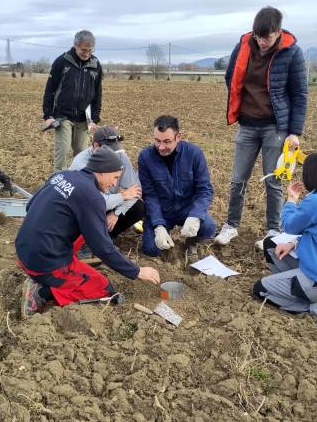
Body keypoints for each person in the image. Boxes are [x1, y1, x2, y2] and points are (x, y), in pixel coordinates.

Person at [16, 146, 160, 319]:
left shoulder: (62, 175)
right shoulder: (92, 197)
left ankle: (58, 267)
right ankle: (40, 293)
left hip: (23, 249)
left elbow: (30, 206)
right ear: (101, 172)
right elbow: (103, 247)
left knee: (84, 227)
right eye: (114, 177)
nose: (115, 184)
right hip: (43, 263)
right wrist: (136, 271)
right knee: (104, 290)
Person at [215, 6, 308, 249]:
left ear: (278, 32)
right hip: (247, 124)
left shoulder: (292, 52)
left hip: (275, 128)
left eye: (266, 36)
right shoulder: (244, 45)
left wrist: (294, 132)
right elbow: (230, 76)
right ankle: (231, 225)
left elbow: (299, 95)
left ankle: (272, 230)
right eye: (258, 36)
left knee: (273, 180)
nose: (261, 41)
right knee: (238, 179)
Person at [252, 151, 317, 316]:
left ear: (310, 174)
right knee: (271, 244)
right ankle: (303, 291)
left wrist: (291, 200)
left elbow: (288, 225)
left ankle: (311, 305)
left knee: (261, 289)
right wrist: (294, 243)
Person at [138, 115, 215, 260]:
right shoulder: (145, 157)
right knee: (151, 249)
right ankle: (164, 235)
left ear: (178, 137)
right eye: (157, 141)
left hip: (187, 209)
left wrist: (195, 215)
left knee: (208, 227)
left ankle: (191, 242)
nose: (161, 147)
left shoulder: (194, 154)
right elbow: (149, 195)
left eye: (167, 142)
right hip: (163, 210)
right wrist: (158, 225)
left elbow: (204, 190)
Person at [41, 30, 103, 172]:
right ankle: (58, 182)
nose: (87, 53)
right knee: (62, 152)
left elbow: (98, 94)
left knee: (81, 154)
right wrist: (48, 115)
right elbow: (50, 89)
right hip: (63, 116)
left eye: (90, 50)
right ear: (75, 46)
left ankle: (77, 185)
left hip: (83, 118)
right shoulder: (62, 62)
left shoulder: (95, 65)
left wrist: (94, 118)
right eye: (83, 50)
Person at [69, 126, 144, 239]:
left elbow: (135, 191)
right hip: (86, 208)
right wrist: (123, 196)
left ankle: (106, 237)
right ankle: (86, 239)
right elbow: (94, 202)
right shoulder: (80, 164)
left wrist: (116, 213)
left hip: (108, 202)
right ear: (95, 146)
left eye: (115, 151)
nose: (114, 155)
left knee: (139, 207)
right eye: (109, 151)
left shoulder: (119, 156)